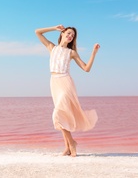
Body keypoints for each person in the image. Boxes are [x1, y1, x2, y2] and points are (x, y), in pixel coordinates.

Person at [35, 25, 100, 157]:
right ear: (63, 33)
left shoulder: (71, 53)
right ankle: (67, 147)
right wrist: (54, 27)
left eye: (73, 36)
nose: (70, 36)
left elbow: (86, 68)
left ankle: (72, 143)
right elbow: (37, 32)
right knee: (62, 114)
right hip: (54, 82)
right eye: (69, 33)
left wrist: (93, 53)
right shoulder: (52, 48)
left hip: (65, 82)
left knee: (57, 114)